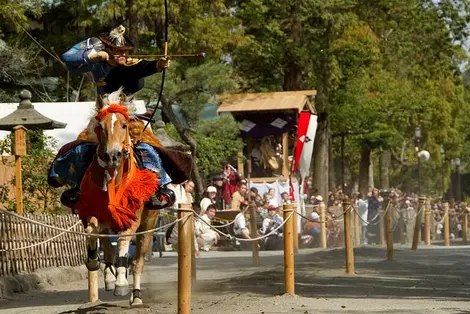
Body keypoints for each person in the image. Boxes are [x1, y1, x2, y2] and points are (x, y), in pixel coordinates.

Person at [49, 25, 190, 209]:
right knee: (83, 143)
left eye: (125, 51)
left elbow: (138, 69)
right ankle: (77, 185)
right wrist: (93, 55)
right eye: (117, 51)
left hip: (127, 112)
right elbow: (68, 58)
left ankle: (158, 186)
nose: (123, 54)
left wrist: (157, 65)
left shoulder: (129, 65)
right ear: (107, 50)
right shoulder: (97, 62)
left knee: (149, 145)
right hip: (103, 112)